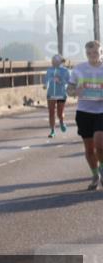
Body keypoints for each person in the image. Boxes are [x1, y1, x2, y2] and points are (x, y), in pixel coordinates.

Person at [69, 40, 103, 190]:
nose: (92, 55)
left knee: (99, 143)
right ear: (86, 53)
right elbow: (69, 90)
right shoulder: (79, 69)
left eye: (96, 52)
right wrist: (75, 91)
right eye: (89, 53)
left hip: (101, 111)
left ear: (101, 52)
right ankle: (95, 175)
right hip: (84, 111)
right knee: (89, 149)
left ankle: (102, 169)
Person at [45, 54, 70, 138]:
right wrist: (45, 85)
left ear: (59, 62)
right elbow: (46, 79)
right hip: (51, 93)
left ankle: (62, 122)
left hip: (61, 94)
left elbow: (69, 82)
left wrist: (60, 81)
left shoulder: (65, 71)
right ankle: (52, 131)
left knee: (60, 113)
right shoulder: (49, 70)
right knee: (51, 112)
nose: (53, 62)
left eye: (55, 61)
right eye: (52, 61)